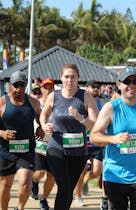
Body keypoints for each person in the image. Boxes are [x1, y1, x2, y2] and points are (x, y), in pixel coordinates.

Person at [90, 67, 136, 210]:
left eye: (135, 81)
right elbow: (94, 136)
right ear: (119, 85)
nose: (131, 85)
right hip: (115, 175)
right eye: (127, 82)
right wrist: (113, 139)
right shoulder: (111, 108)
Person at [39, 63, 98, 210]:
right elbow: (43, 114)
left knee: (68, 190)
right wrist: (44, 125)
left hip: (78, 151)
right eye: (66, 77)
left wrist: (81, 118)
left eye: (73, 77)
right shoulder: (54, 96)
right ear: (61, 78)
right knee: (64, 185)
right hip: (56, 147)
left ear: (78, 78)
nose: (69, 80)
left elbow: (96, 125)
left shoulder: (85, 96)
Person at [0, 71, 43, 210]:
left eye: (22, 85)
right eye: (16, 85)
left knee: (25, 183)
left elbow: (41, 118)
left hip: (26, 150)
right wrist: (2, 133)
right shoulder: (2, 102)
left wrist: (41, 127)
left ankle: (20, 208)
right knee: (5, 185)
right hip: (5, 151)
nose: (19, 89)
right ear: (9, 85)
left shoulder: (33, 102)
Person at [73, 80, 105, 207]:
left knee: (97, 171)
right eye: (93, 87)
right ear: (87, 88)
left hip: (97, 141)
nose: (96, 89)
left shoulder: (103, 103)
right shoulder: (81, 102)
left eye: (98, 87)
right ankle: (78, 196)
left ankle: (87, 179)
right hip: (83, 141)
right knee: (80, 171)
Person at [30, 78, 55, 210]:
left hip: (54, 144)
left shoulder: (58, 104)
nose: (48, 89)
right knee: (39, 173)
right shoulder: (36, 104)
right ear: (41, 89)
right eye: (46, 87)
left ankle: (44, 199)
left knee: (52, 176)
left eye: (51, 87)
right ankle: (33, 181)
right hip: (39, 142)